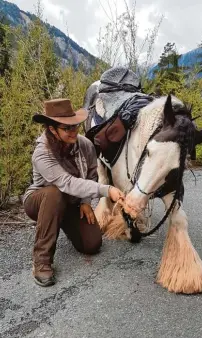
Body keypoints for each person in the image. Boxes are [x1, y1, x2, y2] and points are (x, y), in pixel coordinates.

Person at [23, 98, 125, 287]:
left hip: (71, 202)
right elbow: (66, 183)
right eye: (67, 128)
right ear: (52, 129)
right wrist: (106, 190)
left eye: (75, 126)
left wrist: (86, 201)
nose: (73, 131)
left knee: (92, 245)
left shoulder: (84, 144)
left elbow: (92, 174)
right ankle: (42, 260)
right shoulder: (42, 152)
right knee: (55, 193)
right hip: (40, 201)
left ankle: (59, 220)